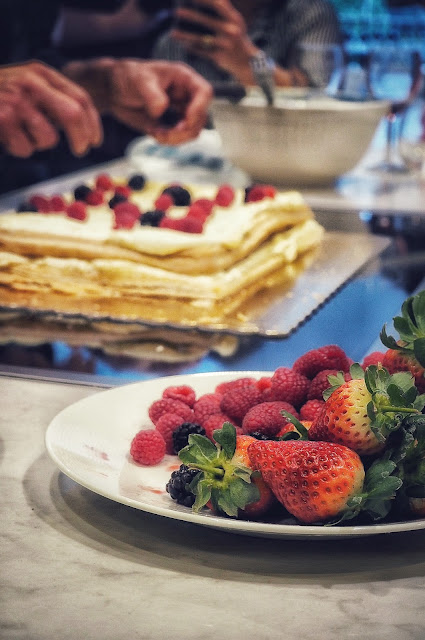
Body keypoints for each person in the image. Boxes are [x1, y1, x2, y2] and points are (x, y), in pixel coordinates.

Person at [153, 0, 343, 89]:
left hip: (284, 157)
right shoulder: (178, 28)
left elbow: (321, 101)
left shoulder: (308, 12)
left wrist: (250, 62)